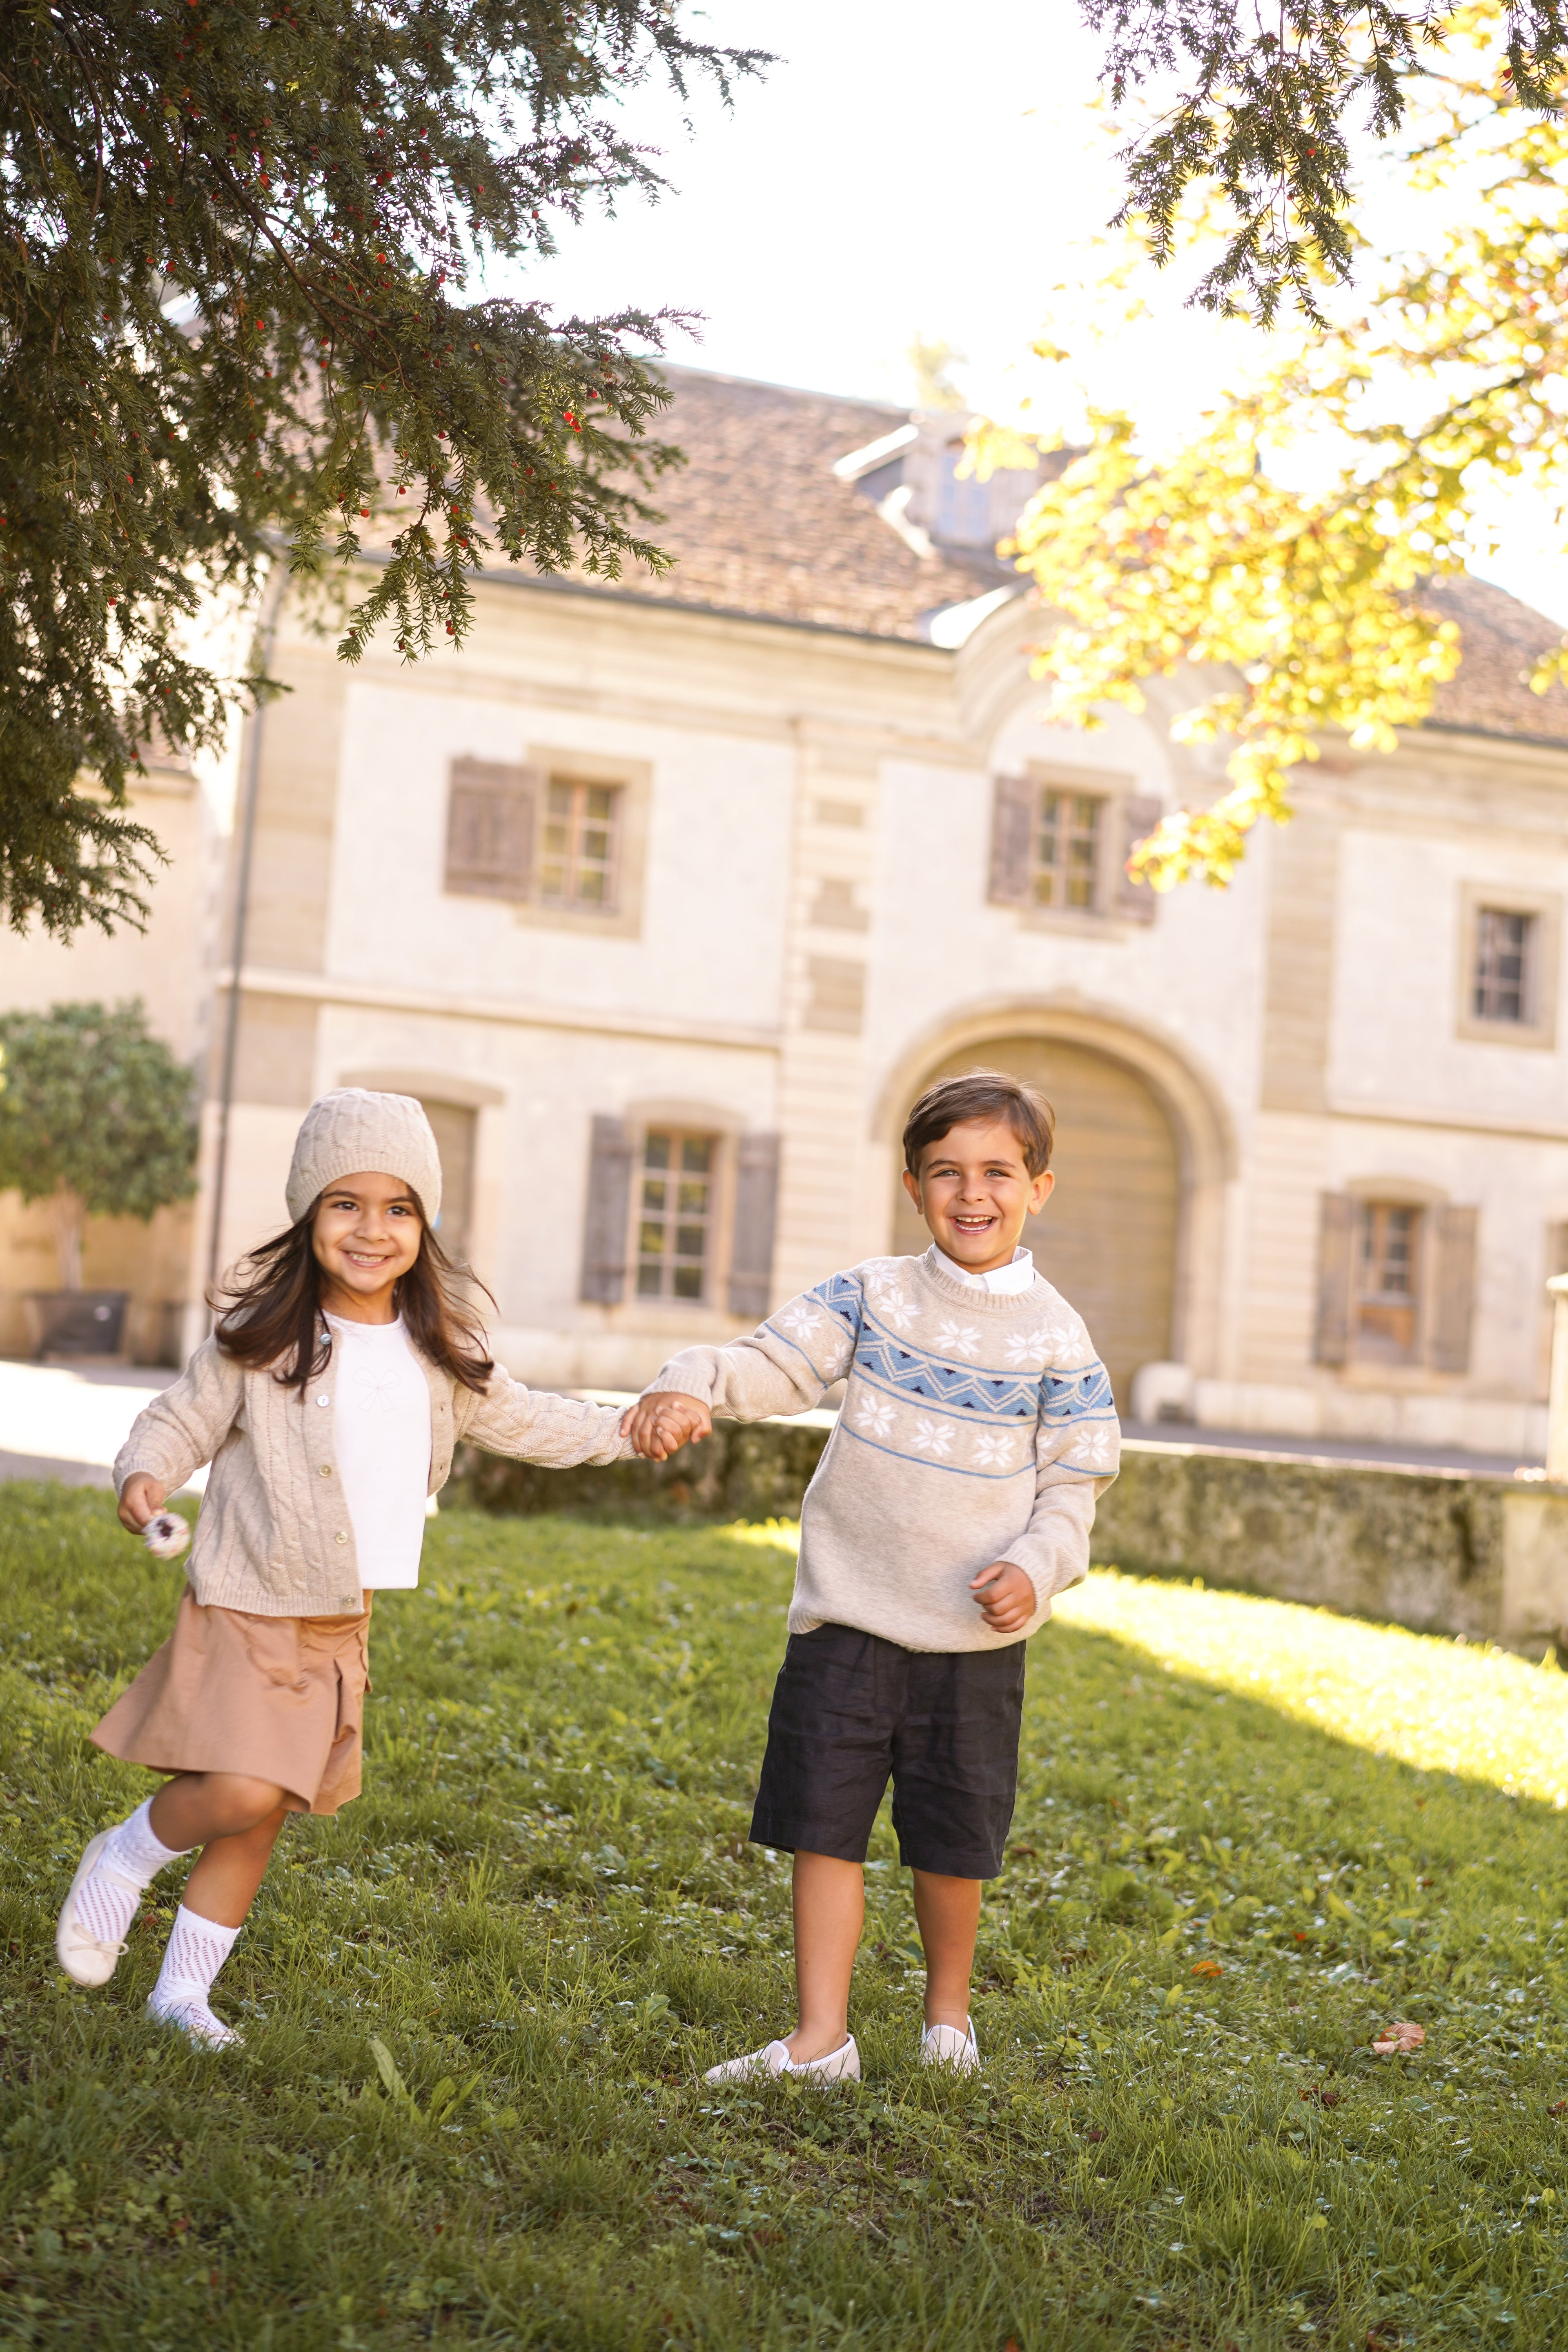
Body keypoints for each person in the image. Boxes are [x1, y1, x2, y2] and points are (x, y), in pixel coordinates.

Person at [56, 1088, 633, 2048]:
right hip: (248, 1592)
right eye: (346, 1203)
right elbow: (179, 1419)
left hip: (340, 1613)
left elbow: (535, 1419)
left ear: (425, 1224)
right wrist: (146, 1474)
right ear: (308, 1213)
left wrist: (629, 1429)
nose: (373, 1230)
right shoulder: (263, 1334)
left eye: (398, 1208)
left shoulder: (441, 1351)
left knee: (264, 1808)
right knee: (239, 1788)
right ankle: (123, 1856)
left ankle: (182, 1995)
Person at [624, 1069, 1119, 2082]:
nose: (971, 1194)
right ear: (912, 1186)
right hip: (847, 1621)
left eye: (996, 1172)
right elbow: (773, 1362)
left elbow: (1075, 1484)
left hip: (971, 1644)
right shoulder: (872, 1296)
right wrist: (691, 1381)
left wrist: (1036, 1566)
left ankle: (948, 2018)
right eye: (946, 1172)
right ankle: (820, 2040)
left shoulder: (1058, 1340)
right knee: (826, 1830)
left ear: (1040, 1188)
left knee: (951, 1842)